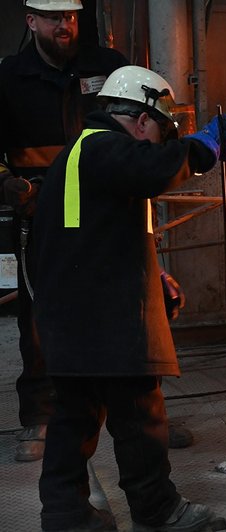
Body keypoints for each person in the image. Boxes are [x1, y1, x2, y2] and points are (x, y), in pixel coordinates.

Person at [33, 65, 226, 531]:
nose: (157, 143)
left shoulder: (80, 154)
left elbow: (93, 235)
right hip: (107, 319)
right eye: (161, 132)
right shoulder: (105, 147)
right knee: (141, 419)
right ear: (143, 121)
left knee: (74, 420)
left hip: (72, 318)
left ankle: (66, 517)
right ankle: (159, 513)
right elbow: (150, 169)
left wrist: (155, 273)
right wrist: (203, 147)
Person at [0, 0, 192, 462]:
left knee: (138, 309)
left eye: (70, 16)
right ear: (31, 21)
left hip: (113, 210)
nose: (65, 25)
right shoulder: (9, 79)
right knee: (44, 318)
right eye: (53, 18)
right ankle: (44, 417)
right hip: (45, 218)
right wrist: (8, 185)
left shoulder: (108, 69)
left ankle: (147, 417)